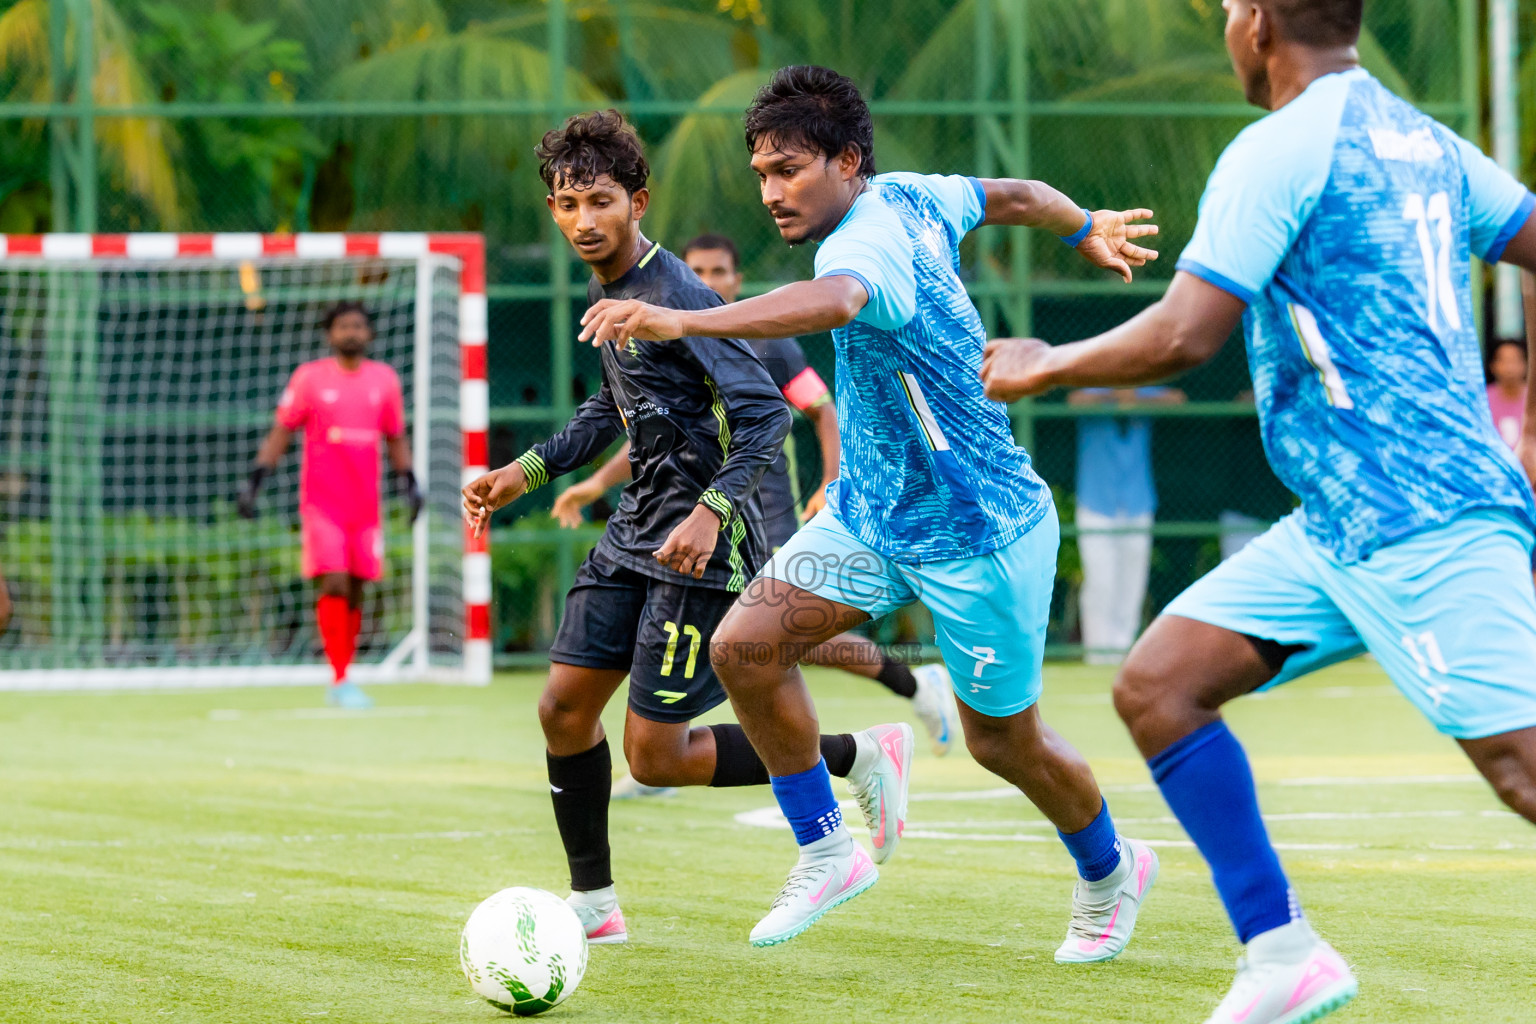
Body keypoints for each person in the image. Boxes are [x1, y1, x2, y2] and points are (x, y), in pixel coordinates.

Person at [980, 2, 1536, 1021]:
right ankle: (1283, 953)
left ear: (1261, 23)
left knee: (1521, 766)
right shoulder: (1424, 136)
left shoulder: (1277, 148)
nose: (1229, 27)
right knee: (1160, 685)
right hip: (1335, 525)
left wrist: (1043, 363)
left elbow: (1187, 334)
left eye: (1233, 9)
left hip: (1422, 515)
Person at [577, 66, 1162, 954]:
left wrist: (686, 323)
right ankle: (826, 848)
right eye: (762, 173)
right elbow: (1014, 193)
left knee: (1004, 744)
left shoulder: (867, 244)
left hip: (980, 532)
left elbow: (838, 299)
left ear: (848, 161)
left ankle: (1112, 870)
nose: (771, 192)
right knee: (745, 649)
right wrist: (1084, 224)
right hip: (873, 517)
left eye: (789, 171)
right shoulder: (920, 192)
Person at [460, 110, 913, 947]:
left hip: (703, 545)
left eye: (599, 200)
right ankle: (594, 907)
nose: (583, 221)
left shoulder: (679, 296)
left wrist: (711, 512)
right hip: (637, 531)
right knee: (564, 709)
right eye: (566, 205)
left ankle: (854, 754)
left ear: (638, 200)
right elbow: (614, 403)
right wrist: (521, 473)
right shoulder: (610, 289)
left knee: (654, 757)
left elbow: (765, 416)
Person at [554, 231, 960, 797]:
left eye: (720, 272)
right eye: (700, 271)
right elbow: (653, 430)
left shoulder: (771, 346)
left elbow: (821, 409)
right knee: (760, 642)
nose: (710, 282)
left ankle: (899, 701)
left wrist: (831, 479)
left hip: (758, 513)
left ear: (735, 281)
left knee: (765, 641)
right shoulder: (658, 330)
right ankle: (667, 751)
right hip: (695, 517)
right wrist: (593, 482)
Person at [238, 302, 421, 710]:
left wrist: (409, 483)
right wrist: (256, 479)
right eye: (343, 326)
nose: (351, 332)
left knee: (356, 587)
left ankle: (344, 674)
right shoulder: (310, 378)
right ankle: (338, 678)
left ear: (369, 333)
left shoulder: (384, 380)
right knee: (334, 580)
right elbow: (282, 431)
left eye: (358, 325)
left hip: (366, 506)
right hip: (323, 505)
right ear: (330, 334)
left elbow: (395, 437)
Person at [1069, 386, 1185, 664]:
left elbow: (1177, 399)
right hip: (1095, 502)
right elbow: (1075, 400)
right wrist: (1114, 395)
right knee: (1101, 581)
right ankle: (1098, 655)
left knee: (1133, 581)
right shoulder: (1096, 391)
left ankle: (1123, 652)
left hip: (1138, 502)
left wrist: (1137, 396)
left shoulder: (1142, 392)